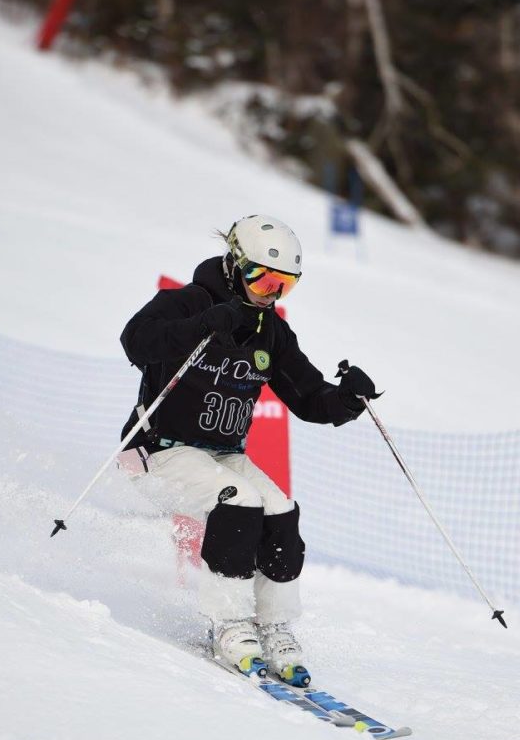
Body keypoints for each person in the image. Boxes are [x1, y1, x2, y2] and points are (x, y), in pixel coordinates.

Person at [120, 215, 378, 686]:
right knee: (238, 501)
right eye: (262, 277)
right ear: (235, 264)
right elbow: (135, 341)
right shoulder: (187, 302)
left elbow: (308, 398)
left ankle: (273, 626)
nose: (270, 292)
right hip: (159, 450)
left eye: (286, 284)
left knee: (280, 508)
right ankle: (229, 624)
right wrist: (202, 324)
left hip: (222, 455)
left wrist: (346, 400)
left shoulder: (271, 332)